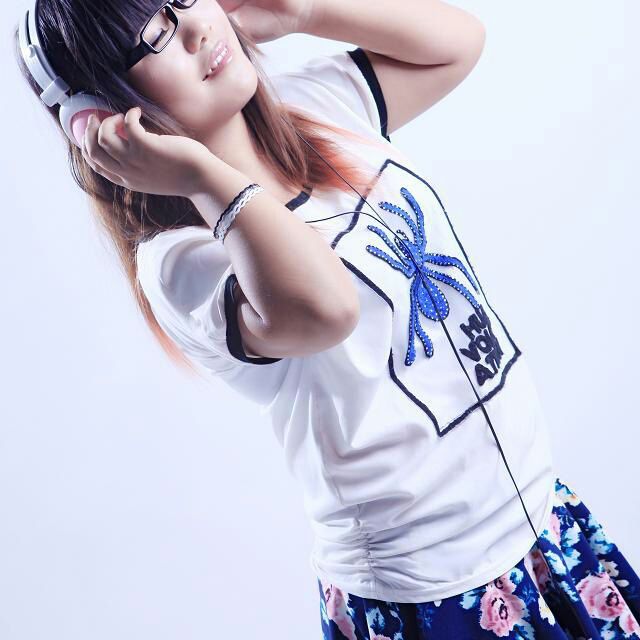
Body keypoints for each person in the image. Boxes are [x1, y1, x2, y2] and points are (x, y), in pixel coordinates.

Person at [15, 0, 640, 637]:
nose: (197, 27)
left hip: (540, 515)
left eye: (184, 0)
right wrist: (202, 176)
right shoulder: (181, 261)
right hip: (433, 584)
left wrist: (306, 12)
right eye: (156, 35)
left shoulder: (316, 107)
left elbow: (458, 44)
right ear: (98, 119)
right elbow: (327, 311)